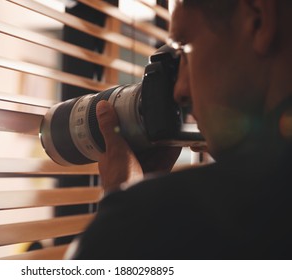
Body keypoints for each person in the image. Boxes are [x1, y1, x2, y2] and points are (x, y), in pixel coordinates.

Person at [67, 0, 292, 259]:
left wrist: (129, 212)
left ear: (258, 19)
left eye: (185, 48)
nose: (180, 90)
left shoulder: (142, 226)